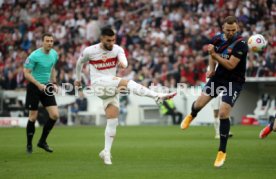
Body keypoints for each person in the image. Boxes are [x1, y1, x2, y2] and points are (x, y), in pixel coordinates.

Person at [74, 27, 176, 165]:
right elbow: (79, 63)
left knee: (113, 121)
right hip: (98, 84)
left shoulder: (117, 49)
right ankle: (156, 95)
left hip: (110, 87)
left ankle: (106, 152)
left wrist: (123, 63)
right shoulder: (90, 51)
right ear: (101, 39)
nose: (111, 42)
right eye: (108, 40)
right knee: (128, 83)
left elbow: (124, 60)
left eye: (113, 39)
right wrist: (78, 79)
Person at [180, 16, 248, 168]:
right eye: (228, 30)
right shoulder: (216, 39)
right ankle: (192, 114)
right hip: (218, 78)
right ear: (223, 28)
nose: (231, 32)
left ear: (237, 29)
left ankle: (222, 151)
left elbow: (230, 65)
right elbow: (212, 55)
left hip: (234, 81)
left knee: (223, 113)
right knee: (198, 104)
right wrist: (211, 69)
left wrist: (214, 54)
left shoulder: (241, 44)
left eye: (233, 30)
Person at [24, 33, 59, 154]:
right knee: (33, 117)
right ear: (42, 42)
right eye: (47, 41)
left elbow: (53, 68)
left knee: (54, 115)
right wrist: (38, 85)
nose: (50, 43)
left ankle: (42, 142)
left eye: (51, 41)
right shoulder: (34, 55)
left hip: (47, 86)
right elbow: (26, 73)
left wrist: (54, 83)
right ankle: (29, 143)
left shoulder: (54, 54)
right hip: (34, 86)